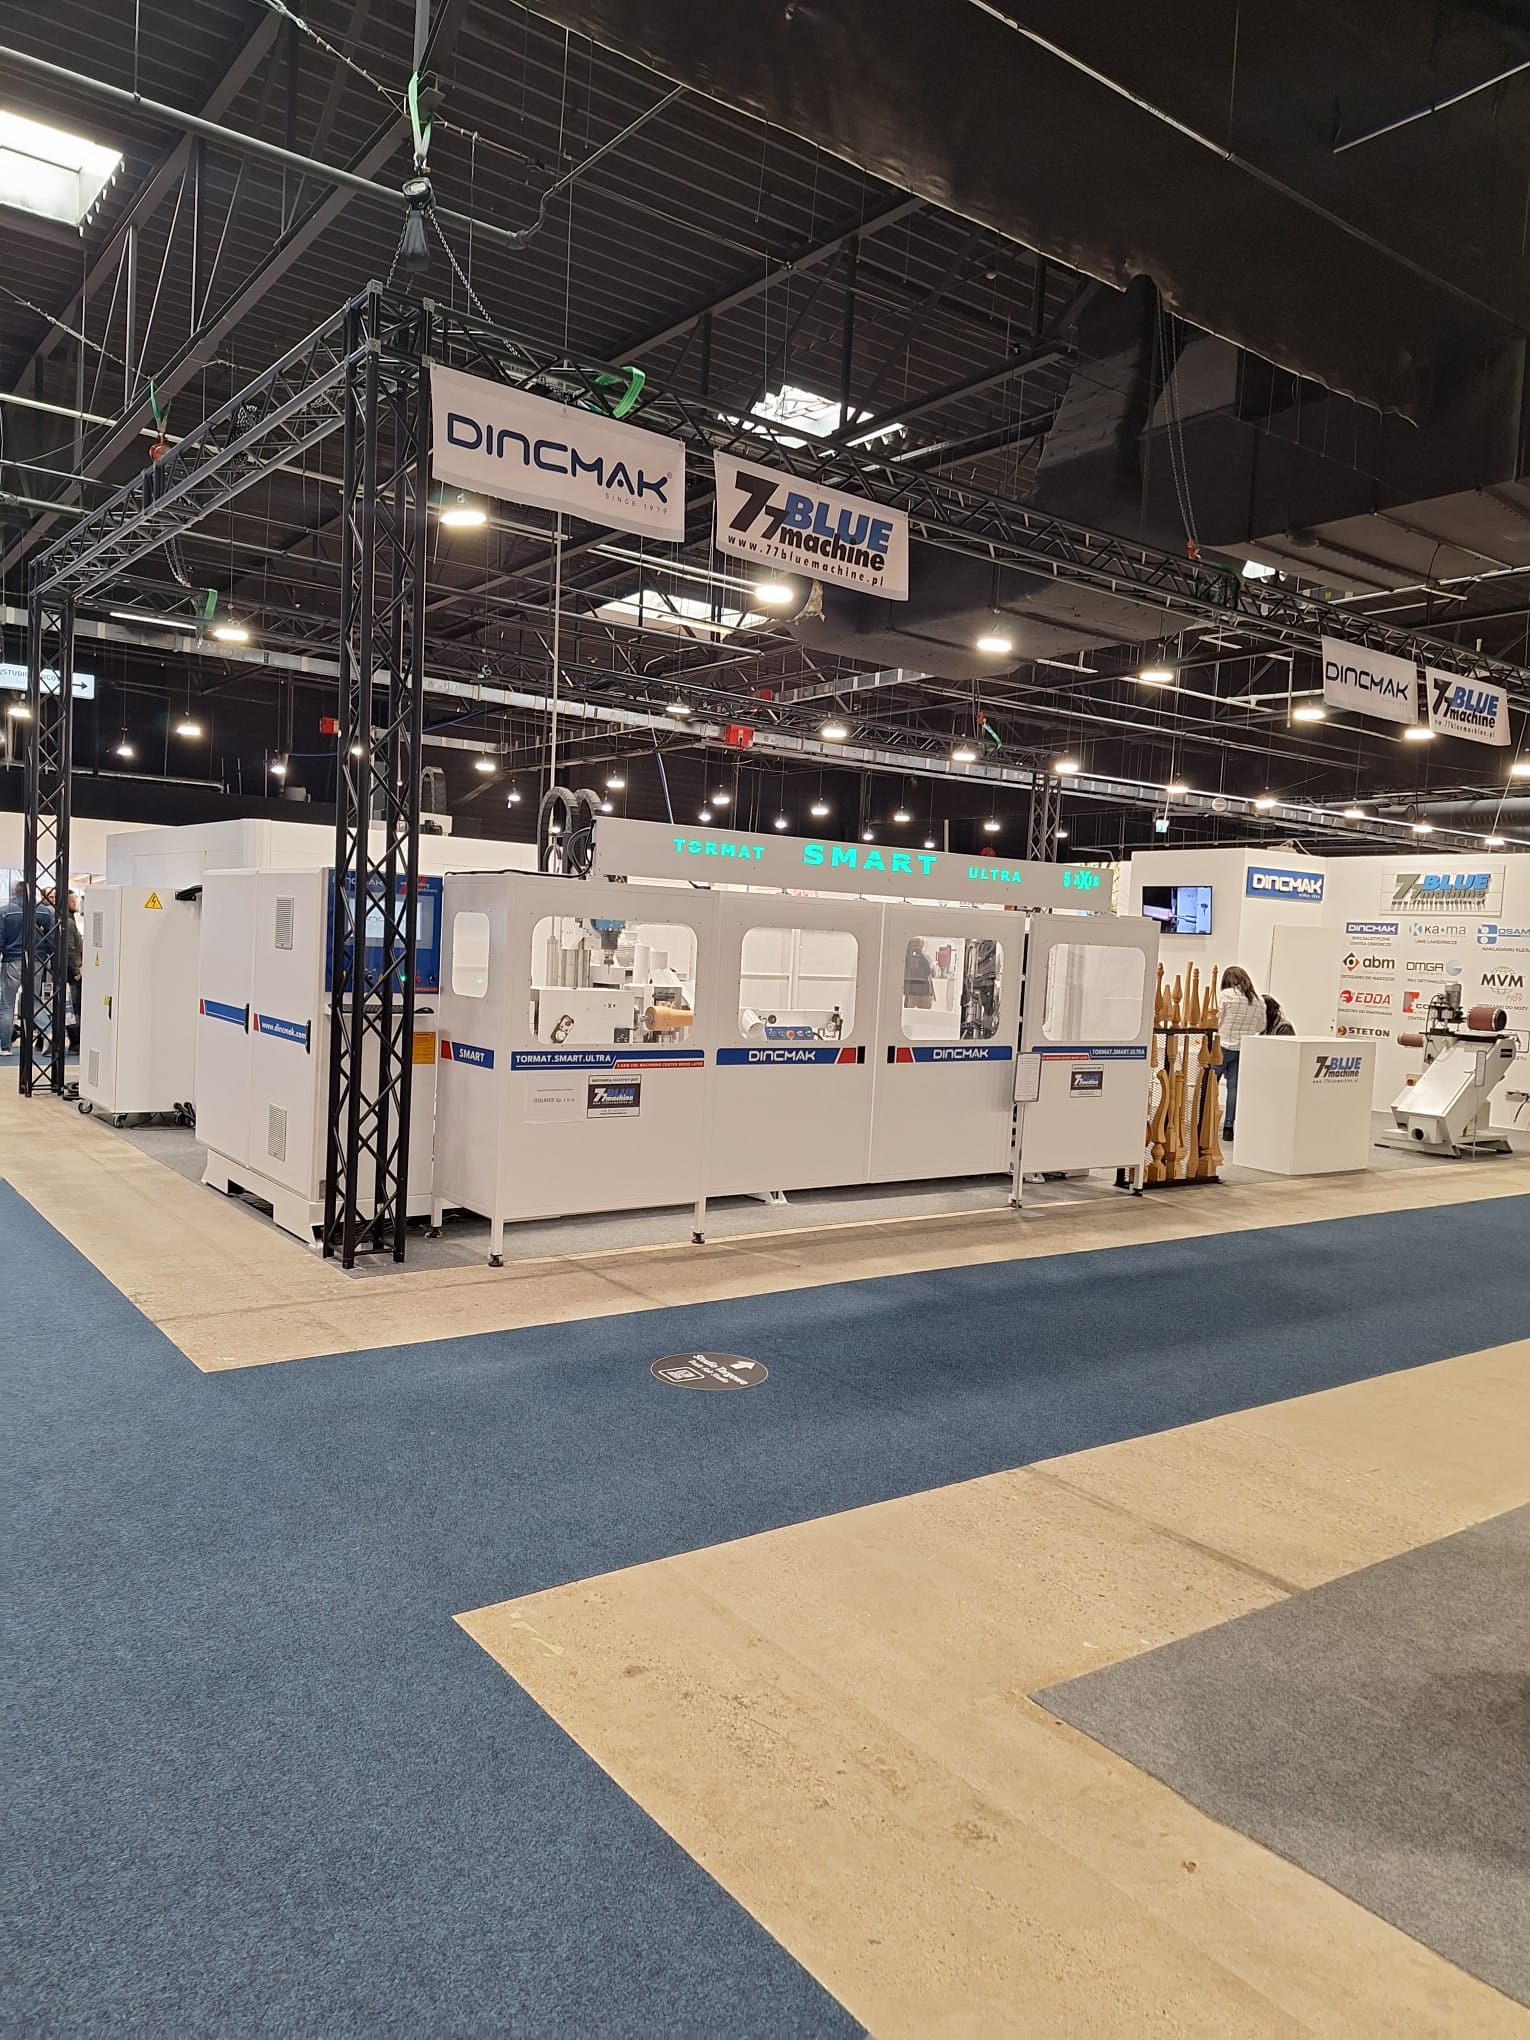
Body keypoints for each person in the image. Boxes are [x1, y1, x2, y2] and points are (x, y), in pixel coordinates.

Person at [1216, 964, 1264, 1138]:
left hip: (1222, 1046)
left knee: (1210, 1085)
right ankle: (1229, 1128)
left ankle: (1205, 1123)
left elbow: (1216, 1019)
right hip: (1243, 1049)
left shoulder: (1226, 995)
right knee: (1233, 1088)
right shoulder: (1258, 1000)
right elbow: (1261, 1026)